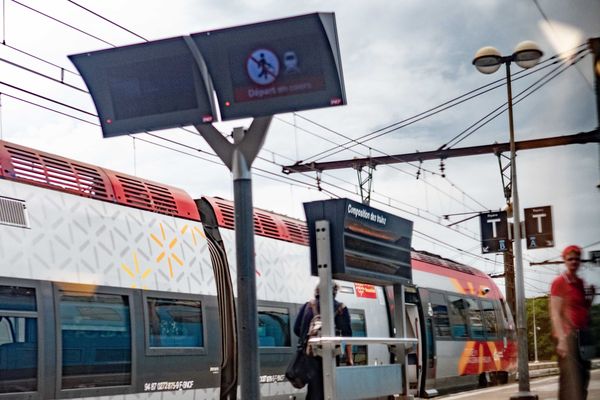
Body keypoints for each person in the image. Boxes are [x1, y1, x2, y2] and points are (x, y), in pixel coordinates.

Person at [549, 245, 596, 400]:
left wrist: (591, 298)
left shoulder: (580, 283)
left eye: (576, 259)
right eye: (570, 259)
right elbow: (555, 313)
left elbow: (582, 310)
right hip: (568, 336)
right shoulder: (559, 282)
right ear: (564, 261)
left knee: (583, 377)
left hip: (582, 336)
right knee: (568, 380)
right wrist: (561, 340)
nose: (574, 262)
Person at [293, 282, 353, 400]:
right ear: (335, 292)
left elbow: (296, 329)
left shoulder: (308, 306)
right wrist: (349, 358)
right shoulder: (341, 308)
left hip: (309, 355)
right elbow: (347, 336)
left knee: (313, 389)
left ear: (317, 291)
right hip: (331, 355)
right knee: (329, 389)